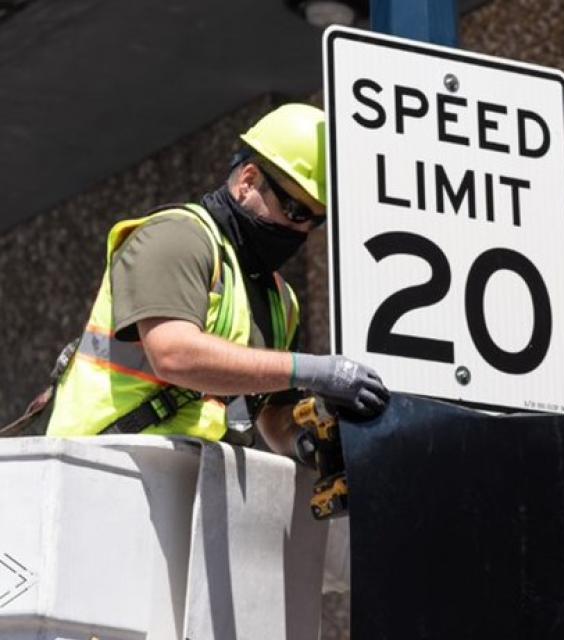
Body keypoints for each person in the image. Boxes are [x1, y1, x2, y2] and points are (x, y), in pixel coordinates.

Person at [45, 103, 389, 459]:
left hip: (188, 484)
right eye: (296, 211)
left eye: (315, 222)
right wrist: (312, 370)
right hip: (99, 470)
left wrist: (309, 444)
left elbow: (274, 419)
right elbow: (173, 353)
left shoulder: (280, 300)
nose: (301, 230)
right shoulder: (177, 236)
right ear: (248, 181)